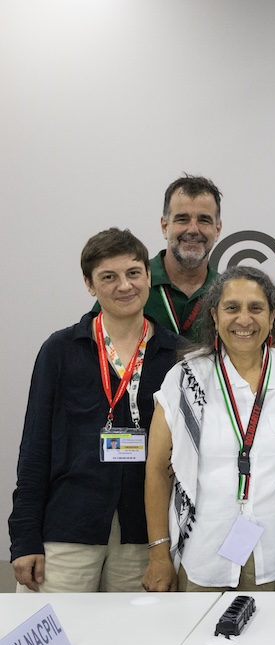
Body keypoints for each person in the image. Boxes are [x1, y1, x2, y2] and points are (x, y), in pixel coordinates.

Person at [10, 228, 183, 592]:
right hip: (68, 529)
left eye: (133, 273)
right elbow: (34, 449)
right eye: (109, 277)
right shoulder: (60, 350)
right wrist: (24, 538)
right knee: (56, 629)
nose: (125, 286)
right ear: (90, 285)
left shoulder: (177, 356)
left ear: (149, 277)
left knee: (135, 629)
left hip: (144, 536)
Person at [142, 266, 275, 592]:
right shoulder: (185, 377)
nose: (244, 319)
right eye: (232, 308)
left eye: (256, 308)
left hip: (273, 555)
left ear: (272, 316)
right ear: (215, 316)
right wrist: (159, 553)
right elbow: (157, 469)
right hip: (202, 553)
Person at [146, 174, 223, 340]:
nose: (193, 229)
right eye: (182, 219)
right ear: (164, 226)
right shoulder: (132, 284)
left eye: (204, 220)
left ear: (217, 230)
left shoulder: (227, 292)